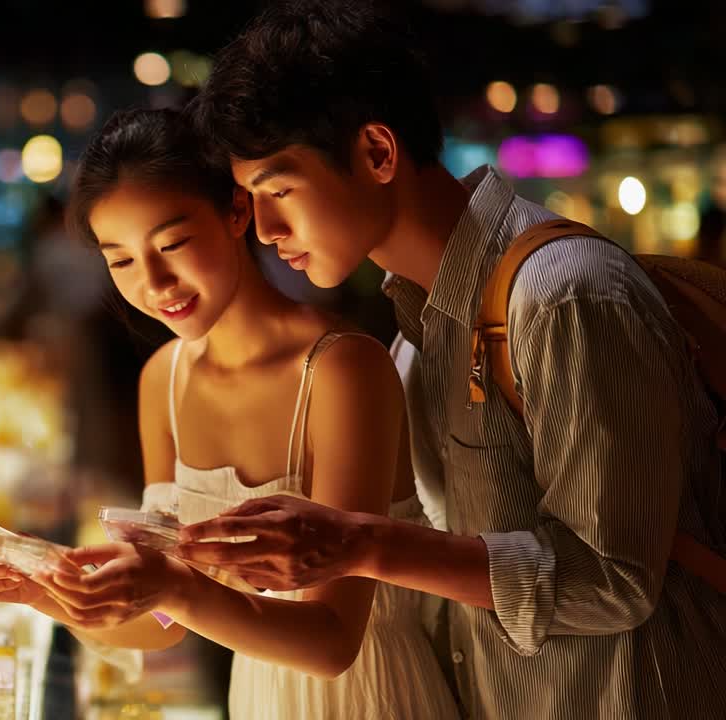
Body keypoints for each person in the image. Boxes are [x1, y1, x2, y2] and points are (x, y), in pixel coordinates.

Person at [178, 2, 726, 718]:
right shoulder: (421, 333)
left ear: (377, 153)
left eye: (280, 191)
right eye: (254, 199)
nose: (271, 230)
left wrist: (361, 544)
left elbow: (613, 579)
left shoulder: (561, 295)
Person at [0, 108, 459, 719]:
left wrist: (170, 585)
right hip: (254, 700)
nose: (155, 282)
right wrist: (48, 592)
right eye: (122, 261)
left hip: (373, 697)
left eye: (172, 244)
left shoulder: (342, 368)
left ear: (237, 211)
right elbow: (166, 623)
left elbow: (331, 641)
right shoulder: (163, 380)